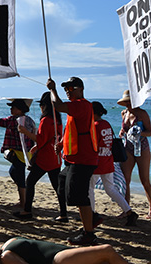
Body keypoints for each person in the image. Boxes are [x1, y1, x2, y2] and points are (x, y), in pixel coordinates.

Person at [47, 77, 99, 246]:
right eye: (66, 89)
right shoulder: (76, 109)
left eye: (71, 88)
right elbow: (73, 129)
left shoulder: (81, 104)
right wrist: (61, 144)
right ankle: (93, 216)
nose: (68, 91)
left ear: (81, 89)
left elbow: (58, 106)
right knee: (62, 183)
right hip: (73, 158)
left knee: (77, 195)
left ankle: (89, 233)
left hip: (83, 159)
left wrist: (52, 90)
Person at [14, 92, 66, 221]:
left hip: (45, 158)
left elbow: (40, 139)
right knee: (57, 187)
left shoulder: (46, 120)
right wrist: (37, 146)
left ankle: (27, 211)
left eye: (41, 105)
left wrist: (25, 131)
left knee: (30, 182)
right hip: (55, 157)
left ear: (45, 106)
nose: (41, 108)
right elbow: (50, 139)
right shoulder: (57, 120)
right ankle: (64, 213)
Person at [89, 101, 138, 227]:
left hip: (97, 162)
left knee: (90, 189)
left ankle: (92, 215)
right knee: (110, 189)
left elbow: (93, 145)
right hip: (108, 160)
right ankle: (129, 212)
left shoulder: (94, 126)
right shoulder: (106, 124)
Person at [0, 230, 128, 264]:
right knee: (107, 250)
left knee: (104, 260)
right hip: (57, 259)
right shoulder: (5, 256)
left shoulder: (1, 248)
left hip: (61, 252)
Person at [0, 98, 36, 211]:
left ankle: (23, 202)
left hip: (18, 153)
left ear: (19, 109)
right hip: (26, 152)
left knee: (17, 175)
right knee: (17, 174)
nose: (11, 109)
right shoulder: (28, 120)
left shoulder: (13, 120)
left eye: (13, 107)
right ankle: (22, 200)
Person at [117, 90, 151, 219]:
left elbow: (149, 132)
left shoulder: (142, 114)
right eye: (126, 102)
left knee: (144, 180)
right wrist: (122, 132)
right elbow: (124, 129)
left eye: (129, 101)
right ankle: (126, 208)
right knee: (125, 179)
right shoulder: (124, 113)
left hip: (142, 147)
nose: (128, 104)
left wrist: (138, 133)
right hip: (127, 147)